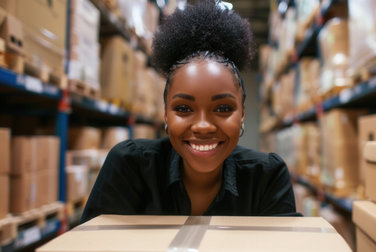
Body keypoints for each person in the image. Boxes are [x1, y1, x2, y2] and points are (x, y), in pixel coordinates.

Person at [81, 0, 298, 223]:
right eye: (183, 109)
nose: (203, 125)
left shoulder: (267, 177)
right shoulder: (129, 167)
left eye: (223, 108)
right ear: (166, 114)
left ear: (242, 114)